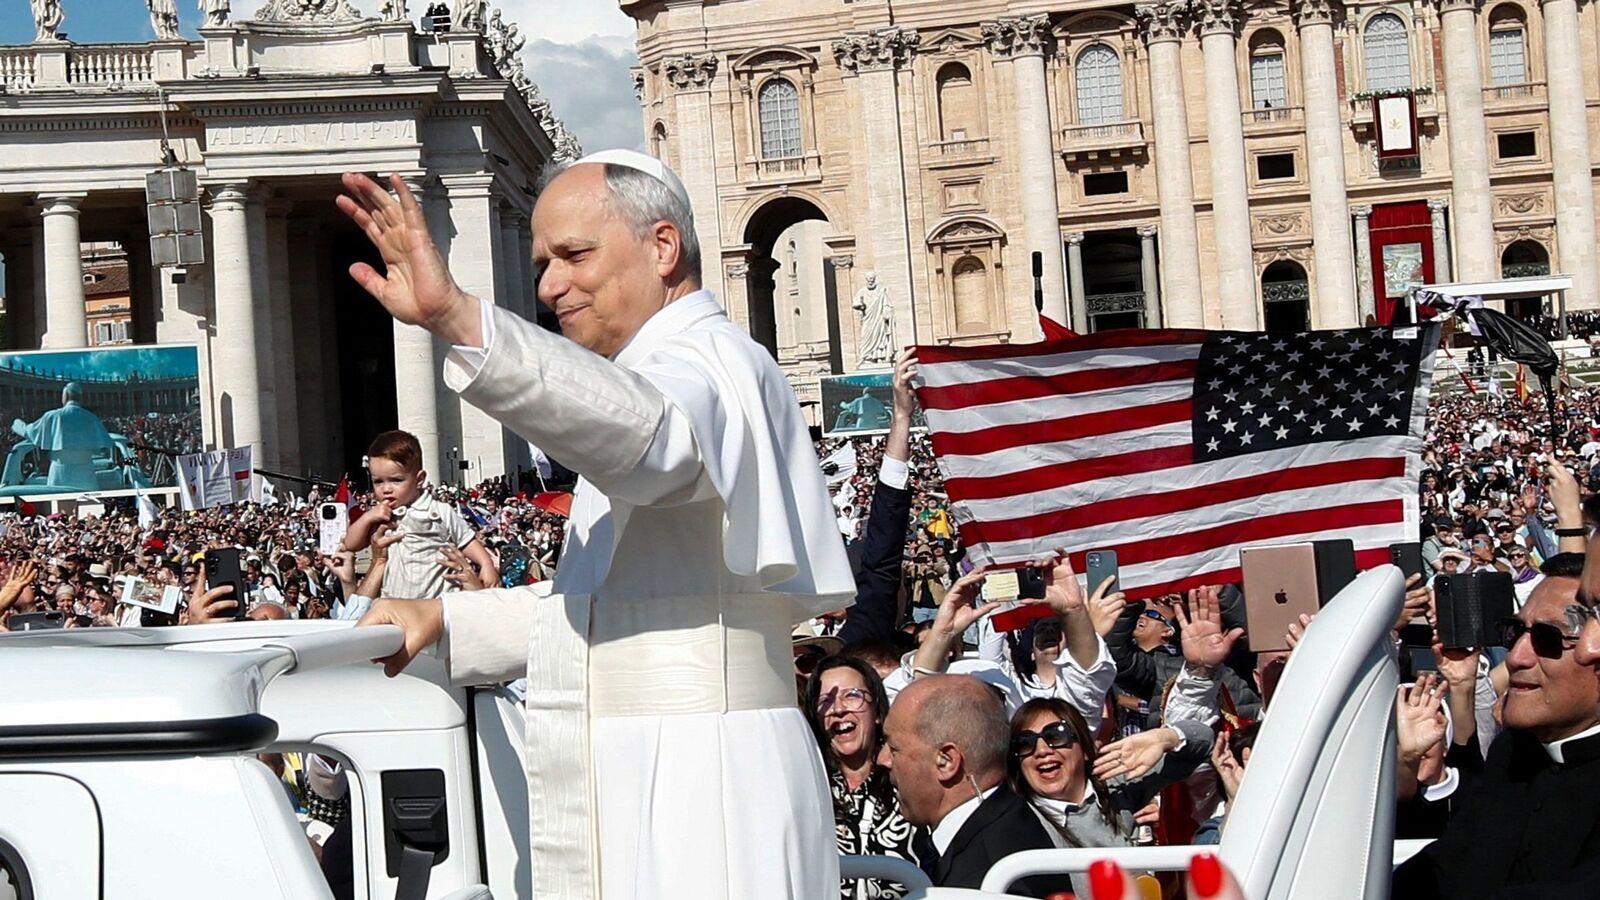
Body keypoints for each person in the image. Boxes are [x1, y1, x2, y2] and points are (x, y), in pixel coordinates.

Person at [340, 151, 854, 900]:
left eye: (574, 255)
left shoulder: (710, 363)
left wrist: (459, 317)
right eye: (543, 261)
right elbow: (615, 614)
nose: (548, 286)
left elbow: (652, 439)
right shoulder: (668, 365)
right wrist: (445, 619)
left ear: (663, 247)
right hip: (658, 771)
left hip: (701, 792)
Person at [1393, 552, 1600, 898]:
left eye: (1548, 639)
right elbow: (1443, 865)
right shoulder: (1514, 751)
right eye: (1516, 631)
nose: (1518, 656)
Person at [879, 674, 1071, 897]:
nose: (882, 759)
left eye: (894, 748)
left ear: (946, 761)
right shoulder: (996, 826)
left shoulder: (996, 879)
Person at [1006, 698, 1212, 897]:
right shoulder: (1018, 821)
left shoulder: (1115, 783)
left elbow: (1204, 742)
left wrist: (1165, 737)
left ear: (1085, 749)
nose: (1041, 750)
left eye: (1056, 735)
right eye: (1025, 743)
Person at [803, 656, 930, 900]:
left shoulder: (908, 779)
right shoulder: (807, 786)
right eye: (825, 701)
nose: (838, 709)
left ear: (877, 712)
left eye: (852, 695)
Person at [341, 430, 498, 598]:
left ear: (419, 479)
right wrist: (367, 518)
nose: (386, 489)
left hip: (437, 601)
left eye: (396, 480)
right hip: (395, 602)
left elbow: (466, 541)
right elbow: (351, 544)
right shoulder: (380, 516)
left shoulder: (439, 511)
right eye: (378, 482)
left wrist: (486, 564)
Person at [11, 383, 113, 490]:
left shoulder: (53, 416)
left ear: (65, 396)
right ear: (80, 398)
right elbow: (106, 443)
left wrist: (17, 424)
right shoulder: (91, 418)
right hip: (86, 474)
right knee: (87, 504)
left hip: (60, 473)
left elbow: (29, 432)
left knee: (59, 504)